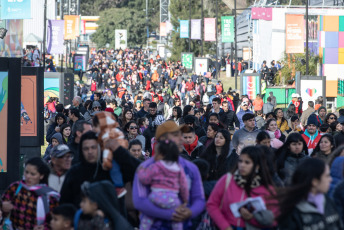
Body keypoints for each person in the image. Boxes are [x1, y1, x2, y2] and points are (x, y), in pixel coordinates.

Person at [132, 120, 205, 229]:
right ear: (162, 139)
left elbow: (199, 199)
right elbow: (140, 201)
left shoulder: (191, 168)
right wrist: (171, 214)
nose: (181, 139)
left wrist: (189, 212)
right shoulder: (146, 168)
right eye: (176, 135)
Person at [207, 146, 278, 230]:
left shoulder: (266, 188)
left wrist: (252, 218)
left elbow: (275, 218)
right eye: (240, 161)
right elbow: (212, 204)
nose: (242, 165)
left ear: (257, 166)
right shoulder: (227, 180)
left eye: (247, 162)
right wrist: (225, 227)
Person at [277, 158, 343, 230]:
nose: (330, 179)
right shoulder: (292, 211)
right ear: (314, 181)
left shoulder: (328, 201)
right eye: (327, 176)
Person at [137, 140, 189, 230]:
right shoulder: (178, 168)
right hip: (173, 199)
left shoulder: (155, 166)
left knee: (147, 217)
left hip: (155, 197)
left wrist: (141, 171)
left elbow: (145, 179)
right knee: (177, 219)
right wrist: (185, 199)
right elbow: (184, 186)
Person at [2, 157, 59, 229]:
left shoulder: (50, 196)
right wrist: (2, 207)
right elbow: (2, 211)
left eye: (33, 174)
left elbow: (57, 220)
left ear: (41, 176)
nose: (28, 176)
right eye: (26, 172)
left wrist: (45, 228)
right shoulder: (15, 188)